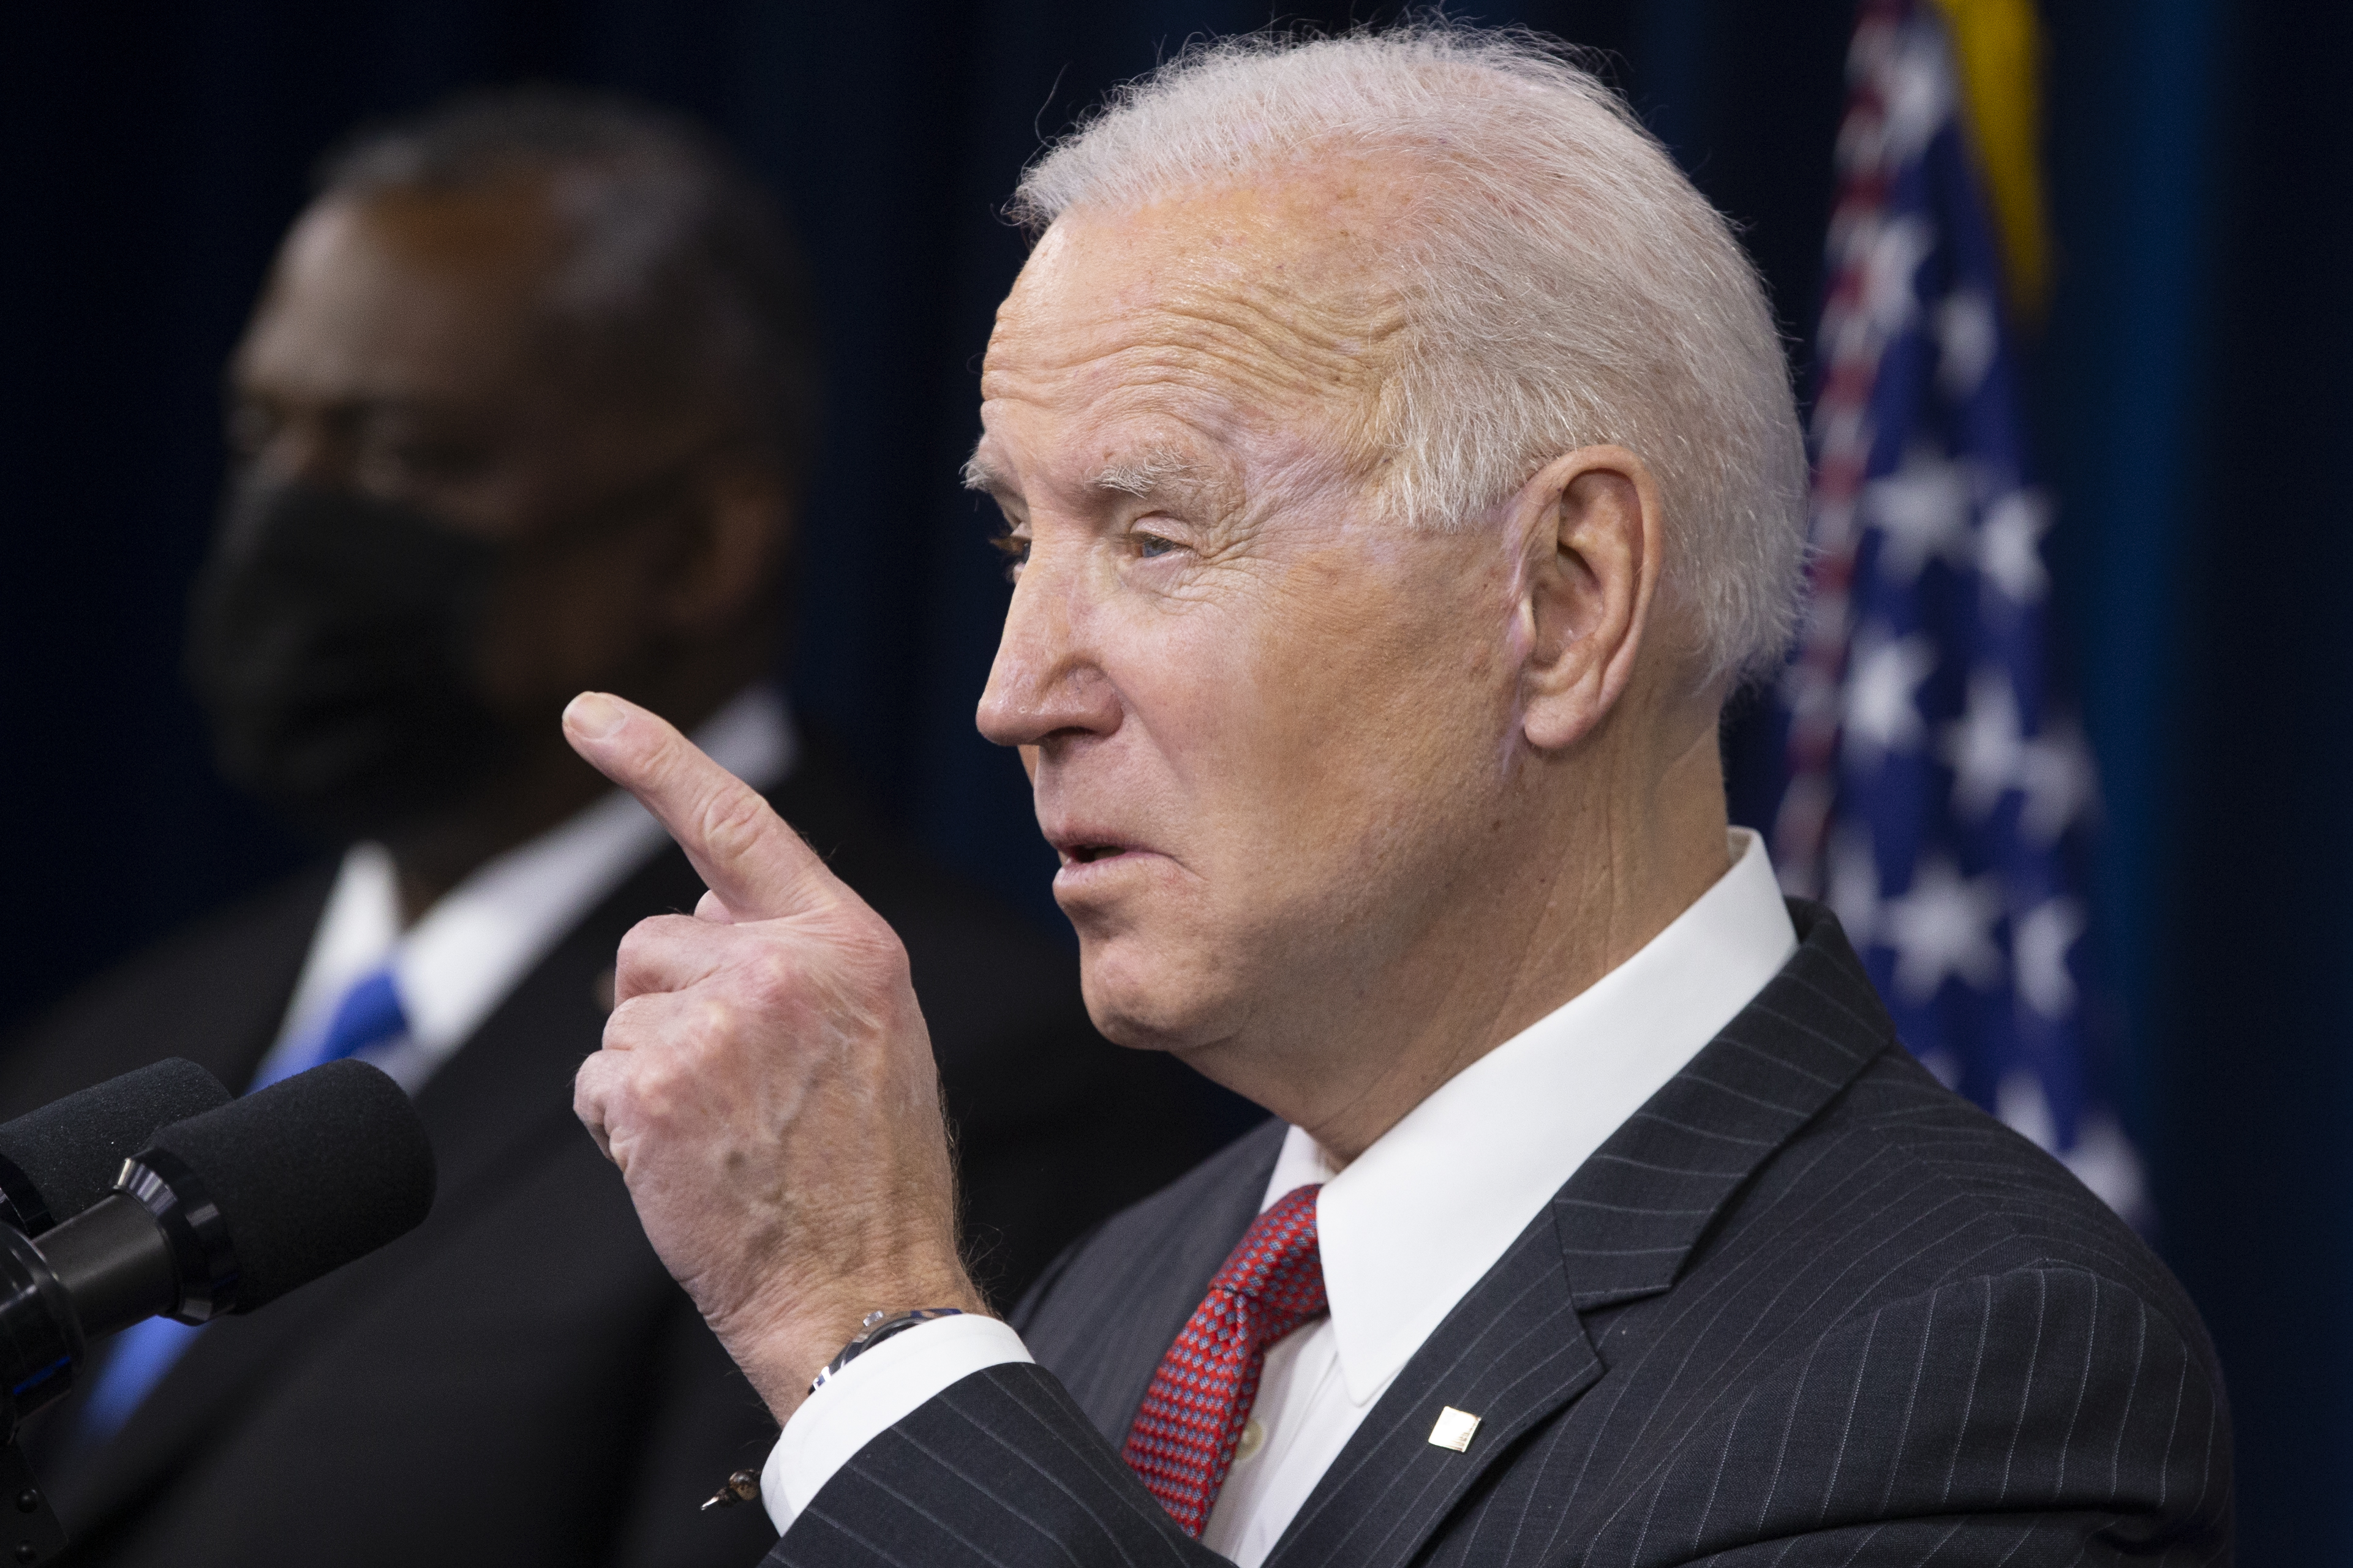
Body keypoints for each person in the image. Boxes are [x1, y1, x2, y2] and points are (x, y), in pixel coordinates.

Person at [557, 26, 2233, 1568]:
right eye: (1017, 540)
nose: (1013, 694)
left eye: (1153, 535)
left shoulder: (1977, 1361)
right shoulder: (1134, 1281)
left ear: (1567, 599)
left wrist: (865, 1333)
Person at [0, 89, 1221, 1567]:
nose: (289, 526)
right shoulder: (111, 1044)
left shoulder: (918, 1072)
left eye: (401, 456)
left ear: (700, 544)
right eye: (266, 439)